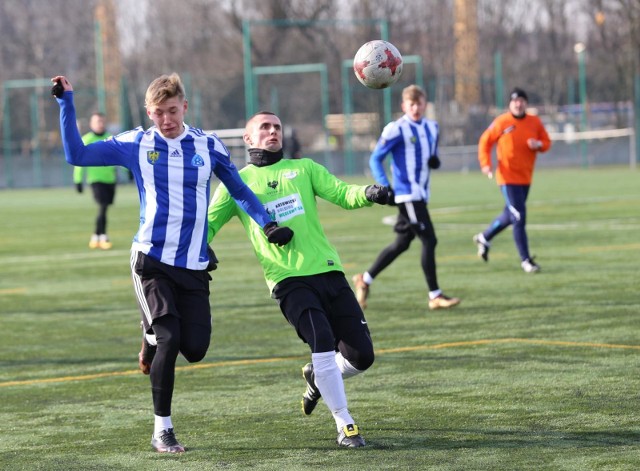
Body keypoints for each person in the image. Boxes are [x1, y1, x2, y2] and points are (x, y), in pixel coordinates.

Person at [51, 73, 292, 454]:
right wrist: (66, 103)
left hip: (193, 264)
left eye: (173, 111)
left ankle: (148, 337)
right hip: (151, 259)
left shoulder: (207, 145)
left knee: (195, 348)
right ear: (149, 112)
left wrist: (268, 223)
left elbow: (239, 190)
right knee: (171, 338)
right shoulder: (136, 142)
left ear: (185, 107)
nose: (167, 120)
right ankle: (162, 429)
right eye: (159, 113)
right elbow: (76, 155)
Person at [207, 111, 390, 448]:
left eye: (276, 126)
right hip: (288, 279)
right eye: (264, 127)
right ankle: (345, 424)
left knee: (361, 356)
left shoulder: (304, 169)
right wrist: (199, 251)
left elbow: (341, 194)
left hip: (329, 270)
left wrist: (370, 192)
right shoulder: (236, 183)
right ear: (247, 139)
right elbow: (207, 226)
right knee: (320, 337)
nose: (273, 132)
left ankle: (317, 377)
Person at [352, 84, 460, 311]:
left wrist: (435, 161)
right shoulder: (396, 129)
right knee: (430, 240)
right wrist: (385, 186)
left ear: (425, 104)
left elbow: (433, 155)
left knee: (402, 244)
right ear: (404, 106)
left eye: (419, 103)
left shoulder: (432, 127)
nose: (416, 108)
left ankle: (365, 279)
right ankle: (435, 295)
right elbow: (375, 159)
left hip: (422, 192)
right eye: (411, 104)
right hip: (407, 194)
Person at [473, 87, 551, 273]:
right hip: (507, 178)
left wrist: (538, 144)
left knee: (510, 215)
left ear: (526, 103)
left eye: (522, 100)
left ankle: (484, 237)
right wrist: (486, 164)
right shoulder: (502, 122)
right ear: (510, 104)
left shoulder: (534, 122)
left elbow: (547, 142)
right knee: (518, 217)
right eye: (515, 100)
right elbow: (485, 141)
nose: (519, 103)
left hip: (525, 177)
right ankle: (526, 260)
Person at [73, 112, 117, 249]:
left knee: (105, 207)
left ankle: (95, 236)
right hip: (95, 180)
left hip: (110, 179)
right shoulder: (87, 139)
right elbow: (79, 161)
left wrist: (128, 172)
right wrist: (78, 180)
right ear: (92, 124)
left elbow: (119, 156)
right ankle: (103, 236)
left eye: (102, 121)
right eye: (97, 122)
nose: (100, 124)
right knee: (102, 207)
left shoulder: (110, 139)